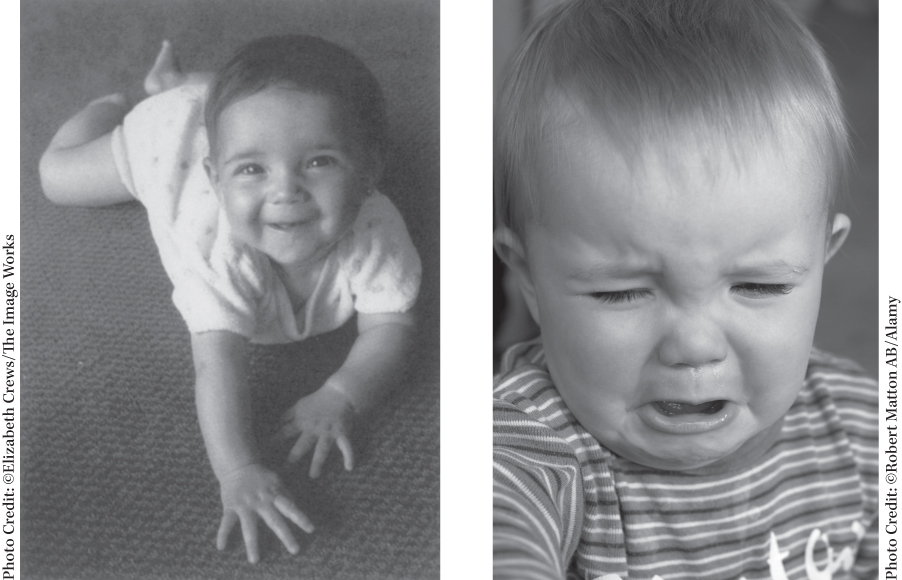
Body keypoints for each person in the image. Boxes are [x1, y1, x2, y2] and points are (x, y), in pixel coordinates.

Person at [492, 0, 877, 578]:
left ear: (822, 261)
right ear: (527, 279)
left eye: (759, 285)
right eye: (621, 292)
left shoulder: (866, 425)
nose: (695, 346)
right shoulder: (534, 442)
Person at [39, 35, 421, 564]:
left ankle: (190, 86)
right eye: (251, 170)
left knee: (248, 112)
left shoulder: (376, 229)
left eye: (319, 161)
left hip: (231, 127)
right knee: (56, 176)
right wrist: (237, 470)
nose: (284, 191)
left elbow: (392, 328)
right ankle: (122, 105)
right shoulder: (224, 259)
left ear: (369, 172)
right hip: (167, 144)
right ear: (216, 181)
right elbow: (215, 366)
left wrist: (342, 392)